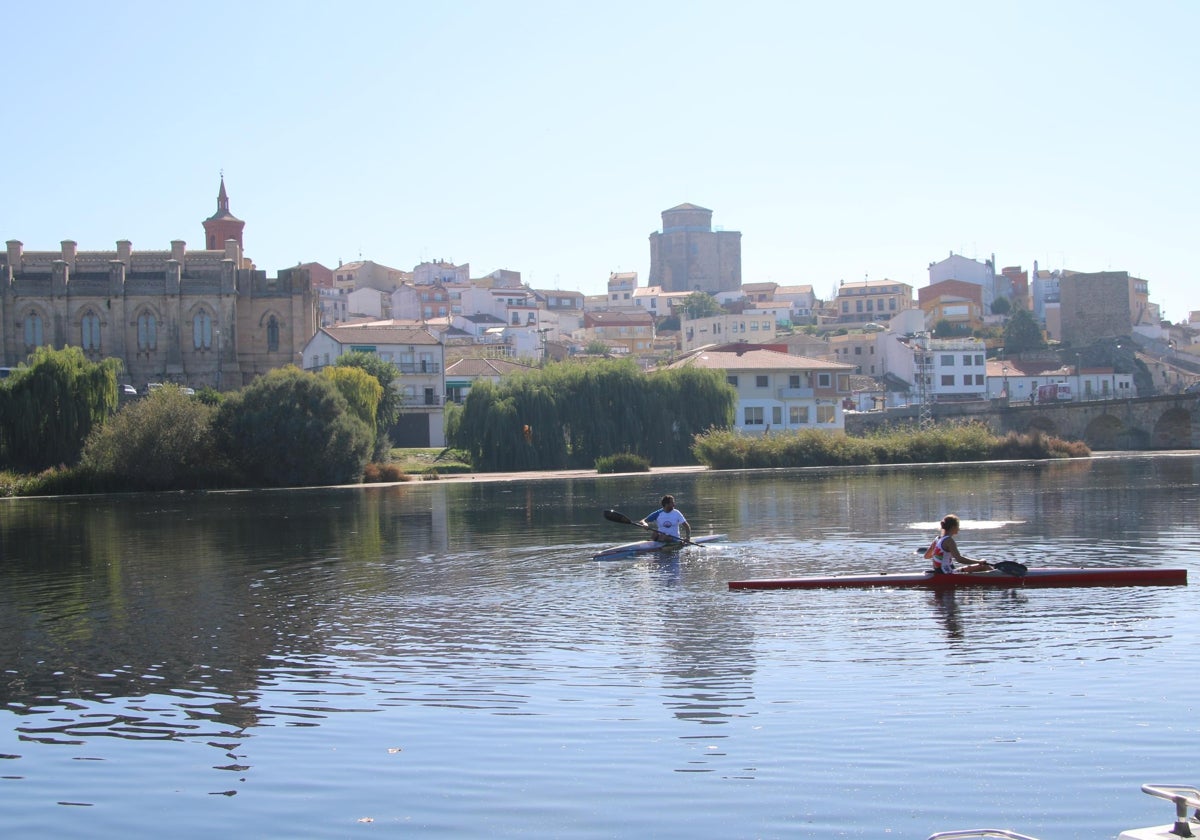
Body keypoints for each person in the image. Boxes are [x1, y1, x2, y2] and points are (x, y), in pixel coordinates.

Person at [924, 514, 991, 574]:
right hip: (948, 573)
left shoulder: (937, 539)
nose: (959, 529)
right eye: (958, 526)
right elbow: (959, 559)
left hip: (939, 571)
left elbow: (926, 556)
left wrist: (941, 556)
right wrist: (979, 561)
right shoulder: (949, 540)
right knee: (984, 566)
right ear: (953, 527)